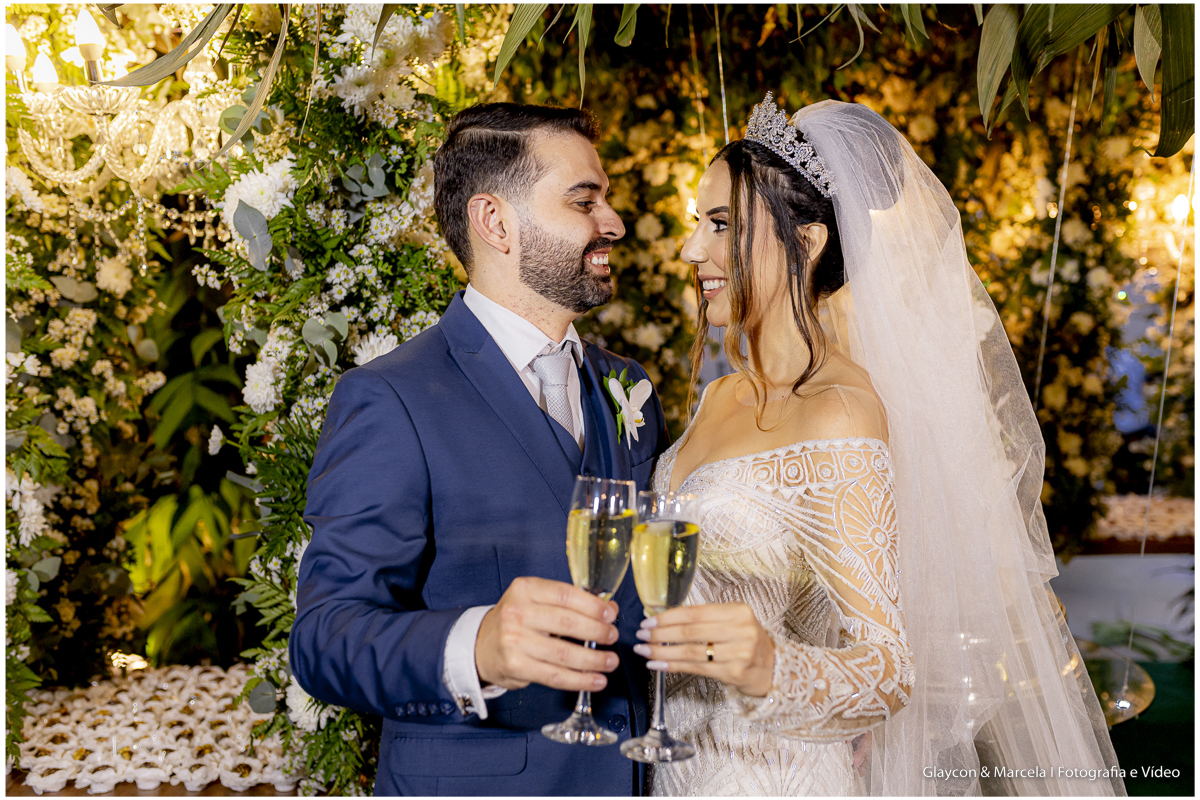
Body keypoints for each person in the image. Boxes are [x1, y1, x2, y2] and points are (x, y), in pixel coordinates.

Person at [633, 96, 1126, 796]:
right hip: (668, 771)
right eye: (695, 224)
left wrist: (769, 664)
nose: (691, 250)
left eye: (720, 225)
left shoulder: (839, 413)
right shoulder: (718, 396)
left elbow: (889, 670)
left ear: (807, 243)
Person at [290, 103, 670, 796]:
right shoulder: (390, 399)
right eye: (584, 200)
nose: (613, 222)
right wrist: (477, 646)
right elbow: (324, 639)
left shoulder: (628, 385)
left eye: (606, 199)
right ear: (495, 222)